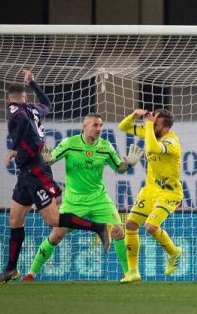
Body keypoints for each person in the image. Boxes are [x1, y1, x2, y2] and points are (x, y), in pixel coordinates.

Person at [0, 69, 111, 284]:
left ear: (8, 99)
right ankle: (11, 269)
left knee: (53, 220)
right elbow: (48, 104)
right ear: (26, 97)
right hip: (26, 173)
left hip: (36, 172)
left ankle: (98, 227)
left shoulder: (14, 110)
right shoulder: (33, 108)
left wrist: (14, 145)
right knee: (15, 219)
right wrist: (34, 83)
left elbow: (22, 123)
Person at [21, 113, 145, 281]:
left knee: (117, 230)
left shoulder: (106, 146)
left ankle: (128, 273)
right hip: (74, 200)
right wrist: (47, 160)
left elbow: (119, 168)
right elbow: (50, 159)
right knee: (57, 234)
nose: (99, 129)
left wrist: (129, 164)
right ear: (84, 127)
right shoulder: (69, 144)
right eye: (95, 125)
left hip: (99, 198)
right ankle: (31, 273)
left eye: (100, 125)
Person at [117, 108, 184, 283]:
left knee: (150, 227)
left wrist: (147, 125)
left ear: (166, 128)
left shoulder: (171, 141)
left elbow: (153, 147)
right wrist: (134, 116)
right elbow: (123, 126)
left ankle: (174, 252)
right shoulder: (150, 131)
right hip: (151, 189)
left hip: (169, 192)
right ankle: (133, 272)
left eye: (156, 124)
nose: (152, 125)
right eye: (152, 122)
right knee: (130, 224)